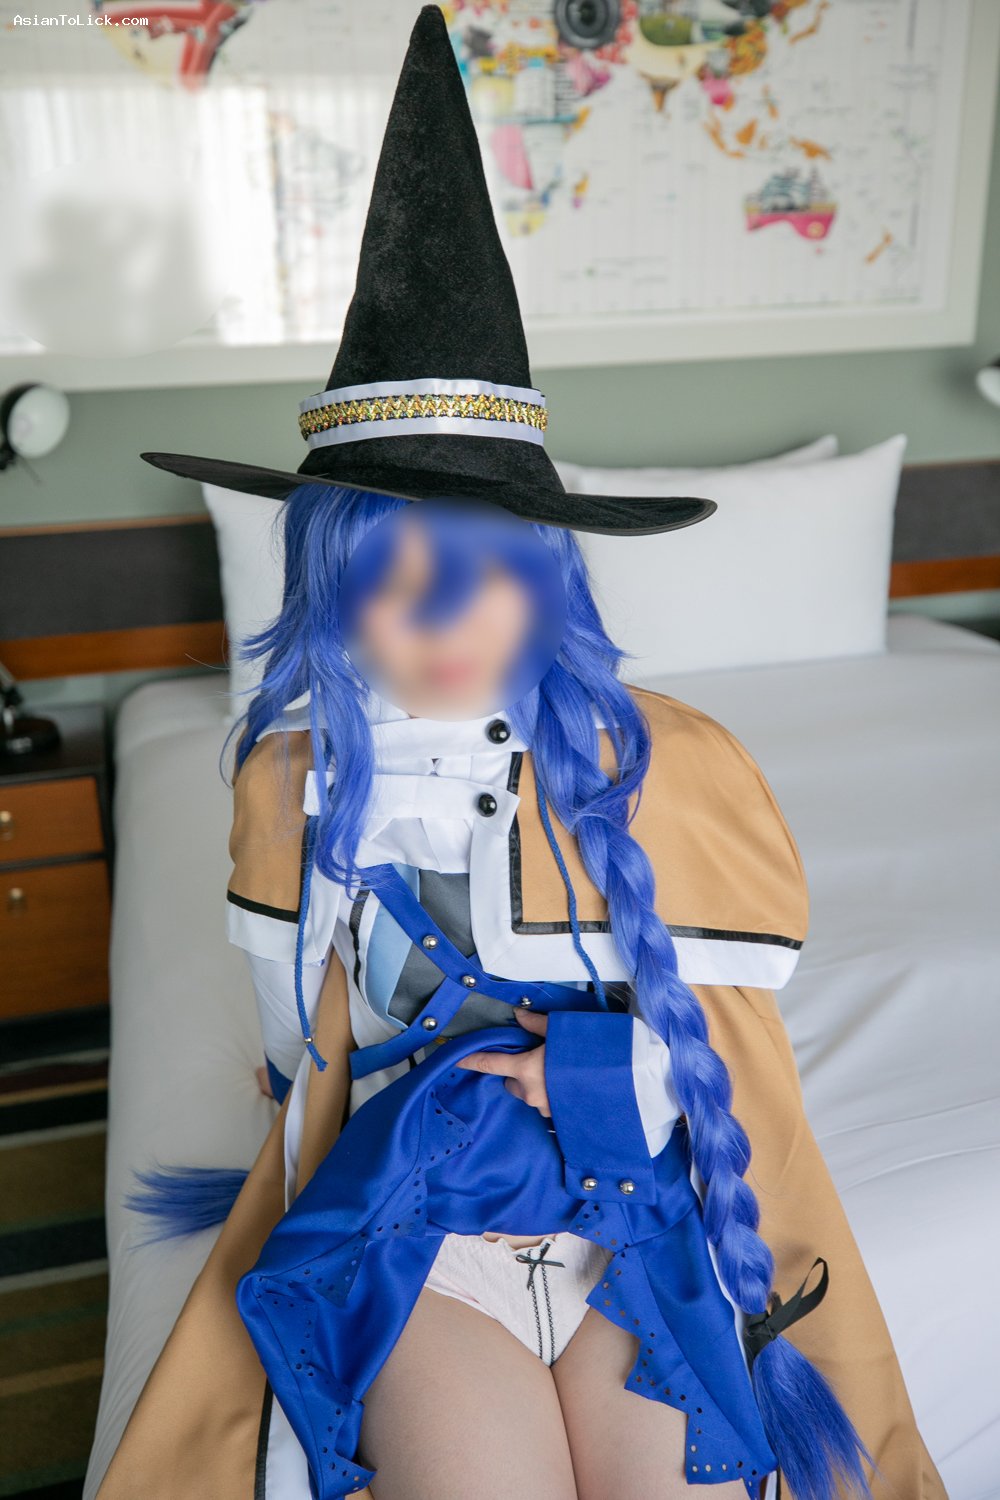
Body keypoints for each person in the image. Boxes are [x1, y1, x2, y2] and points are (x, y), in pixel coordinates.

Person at [96, 9, 946, 1500]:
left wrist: (589, 1075)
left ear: (548, 575)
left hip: (634, 1222)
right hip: (419, 1232)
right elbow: (307, 1059)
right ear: (327, 583)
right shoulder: (285, 787)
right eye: (388, 572)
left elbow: (735, 1068)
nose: (441, 617)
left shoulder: (676, 770)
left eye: (484, 566)